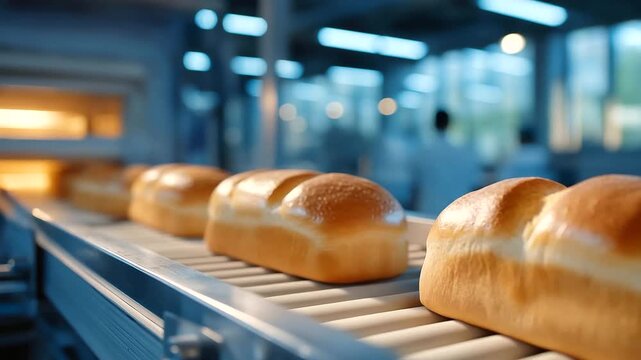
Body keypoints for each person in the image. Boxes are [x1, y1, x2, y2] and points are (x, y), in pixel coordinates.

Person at [414, 109, 481, 217]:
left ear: (433, 124)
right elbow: (473, 184)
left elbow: (416, 186)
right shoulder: (462, 153)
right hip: (456, 213)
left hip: (427, 211)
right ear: (449, 124)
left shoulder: (424, 152)